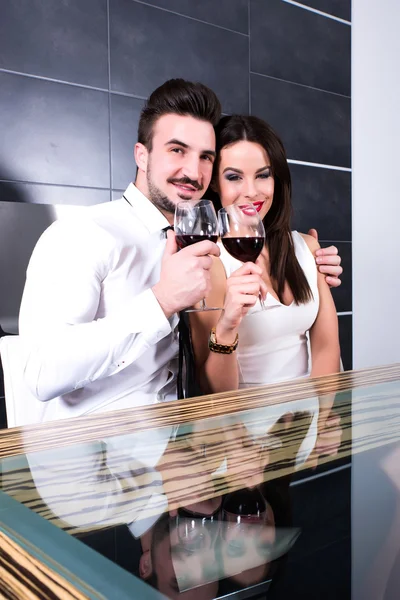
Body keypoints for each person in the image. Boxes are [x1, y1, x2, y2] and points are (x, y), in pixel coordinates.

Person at [15, 79, 342, 423]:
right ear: (142, 155)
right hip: (98, 453)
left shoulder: (205, 243)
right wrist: (161, 302)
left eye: (205, 157)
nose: (192, 171)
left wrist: (307, 260)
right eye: (177, 150)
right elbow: (41, 373)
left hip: (185, 446)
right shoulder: (82, 234)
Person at [189, 115, 341, 394]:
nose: (251, 192)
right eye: (234, 177)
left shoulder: (307, 247)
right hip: (248, 430)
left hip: (308, 424)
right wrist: (228, 324)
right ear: (213, 183)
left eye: (263, 175)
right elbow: (213, 389)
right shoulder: (209, 262)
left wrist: (321, 423)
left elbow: (327, 350)